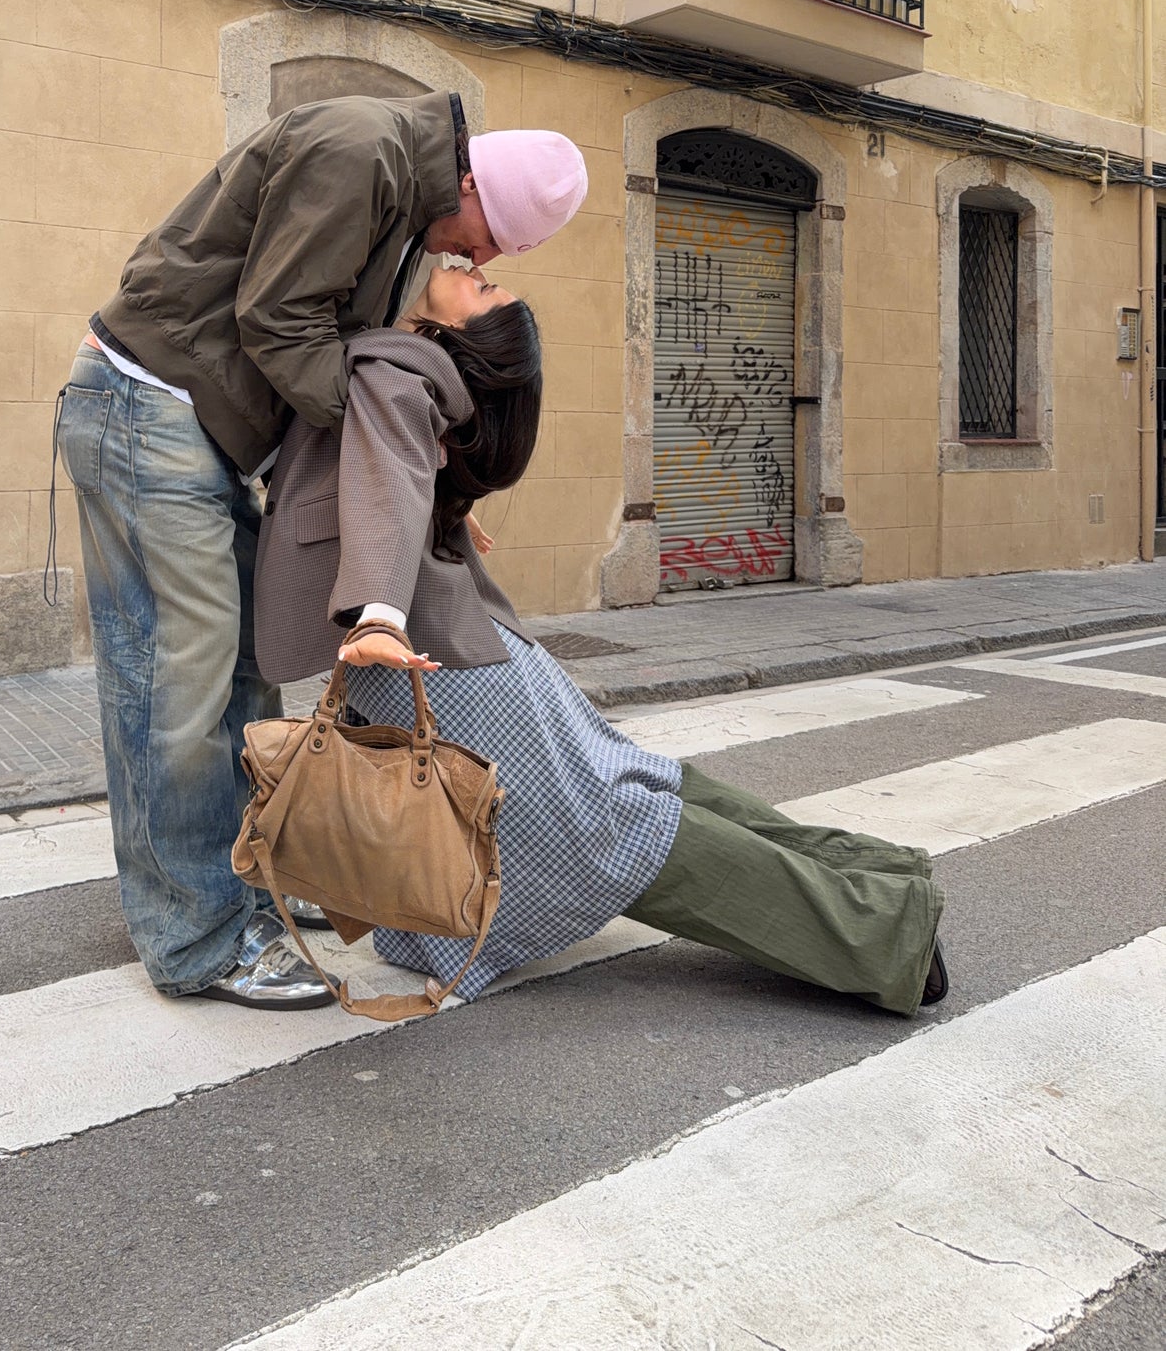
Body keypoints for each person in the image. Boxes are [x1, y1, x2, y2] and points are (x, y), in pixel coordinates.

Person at [254, 264, 948, 1017]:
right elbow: (399, 481)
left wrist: (380, 611)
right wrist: (439, 517)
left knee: (611, 828)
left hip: (438, 657)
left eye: (486, 294)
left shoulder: (397, 370)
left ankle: (881, 934)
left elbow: (387, 483)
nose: (476, 271)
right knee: (632, 789)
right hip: (479, 653)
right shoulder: (411, 369)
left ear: (465, 339)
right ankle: (881, 876)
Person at [55, 91, 588, 1010]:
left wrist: (414, 490)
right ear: (469, 181)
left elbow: (327, 353)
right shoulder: (363, 151)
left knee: (244, 673)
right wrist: (389, 457)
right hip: (149, 405)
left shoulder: (403, 201)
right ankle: (196, 935)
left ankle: (225, 887)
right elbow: (280, 322)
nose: (480, 257)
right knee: (178, 681)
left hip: (200, 427)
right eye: (490, 240)